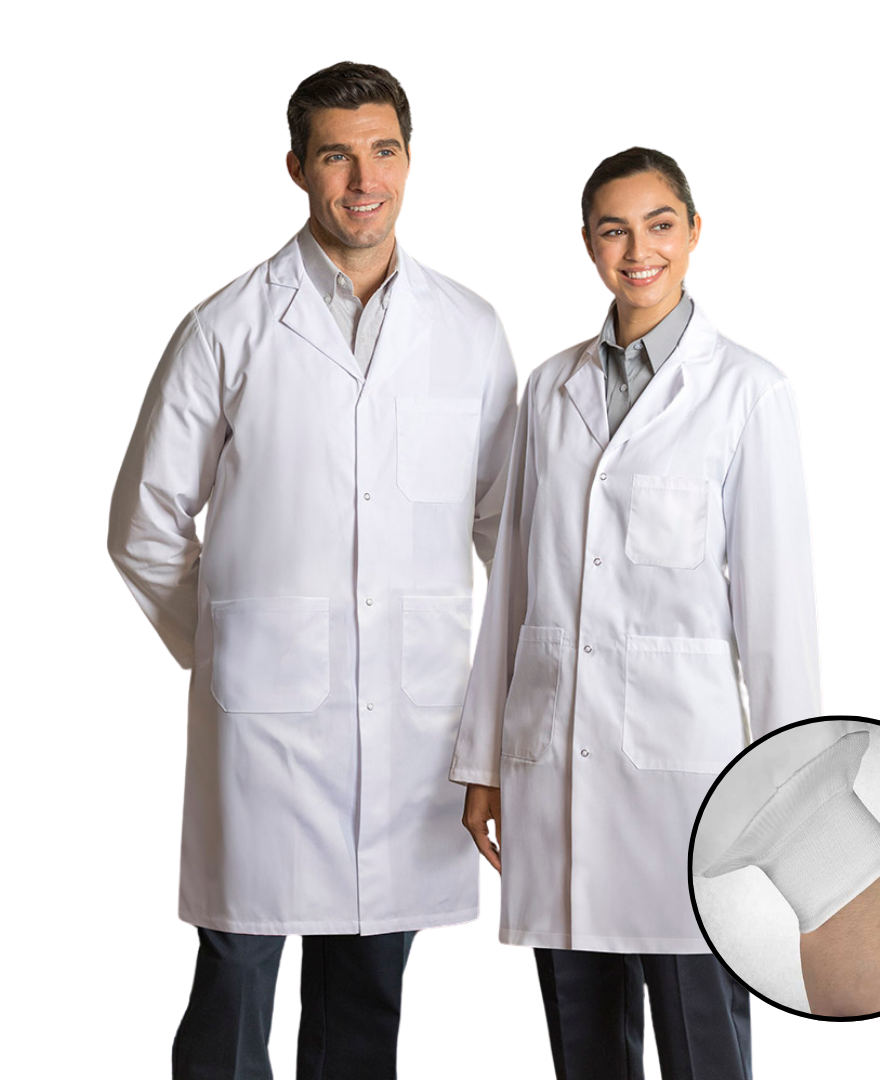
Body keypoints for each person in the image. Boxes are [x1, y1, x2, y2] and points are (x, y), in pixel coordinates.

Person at [107, 62, 517, 1079]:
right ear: (297, 168)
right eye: (337, 156)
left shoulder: (469, 330)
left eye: (383, 152)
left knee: (366, 995)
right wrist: (231, 646)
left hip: (414, 722)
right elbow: (144, 524)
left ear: (410, 160)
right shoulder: (229, 326)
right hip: (265, 731)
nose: (364, 180)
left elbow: (506, 528)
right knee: (237, 977)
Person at [450, 147, 820, 1079]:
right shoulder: (549, 388)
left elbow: (778, 616)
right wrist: (486, 762)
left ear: (694, 232)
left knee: (704, 1047)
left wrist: (792, 795)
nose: (638, 250)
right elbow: (515, 589)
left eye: (659, 225)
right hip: (557, 772)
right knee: (584, 1050)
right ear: (588, 244)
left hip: (687, 788)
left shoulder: (746, 392)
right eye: (614, 230)